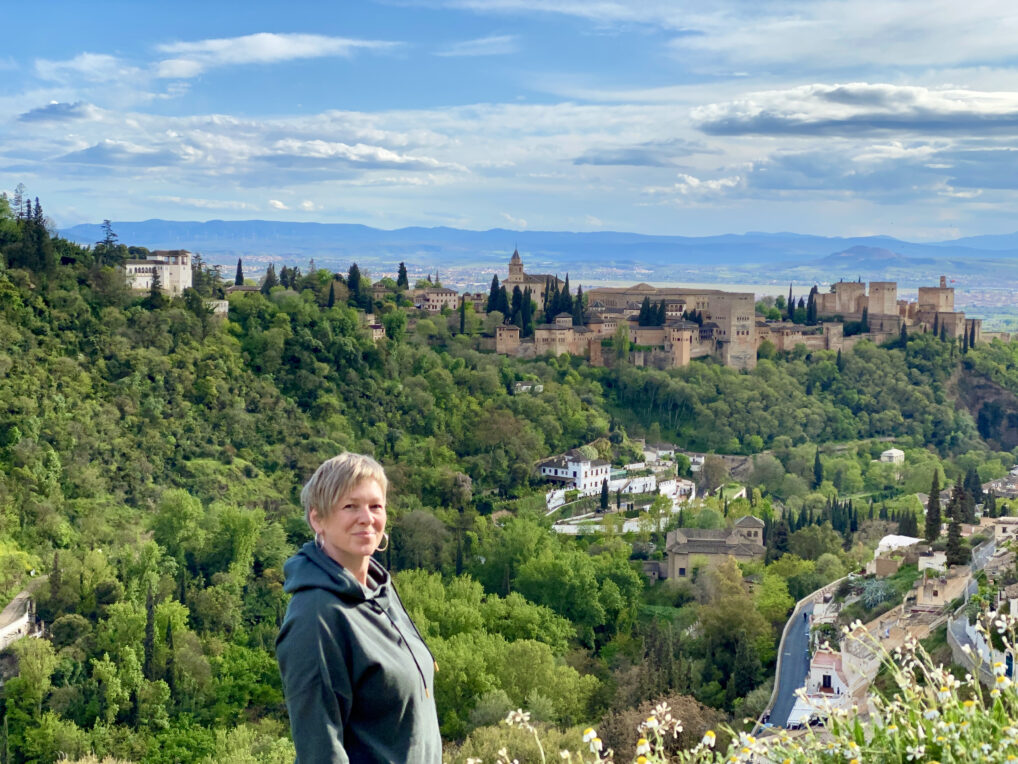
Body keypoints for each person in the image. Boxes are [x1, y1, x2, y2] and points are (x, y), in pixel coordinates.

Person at [276, 452, 442, 763]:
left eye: (375, 506)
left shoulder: (381, 591)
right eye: (350, 506)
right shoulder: (316, 616)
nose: (366, 518)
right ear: (317, 518)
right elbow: (321, 753)